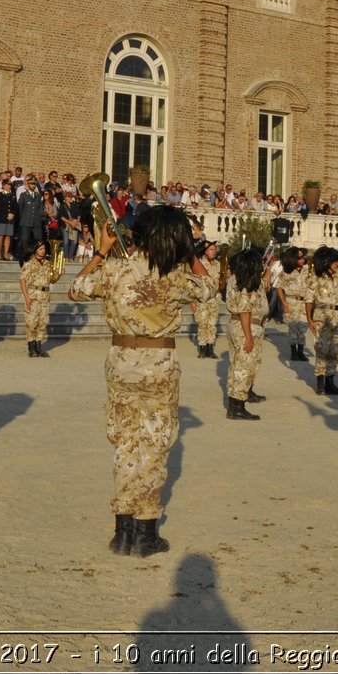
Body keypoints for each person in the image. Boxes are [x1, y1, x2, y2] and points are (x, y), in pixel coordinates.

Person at [68, 204, 213, 557]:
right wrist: (191, 253)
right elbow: (209, 287)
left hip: (121, 362)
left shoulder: (116, 270)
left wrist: (101, 250)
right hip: (160, 363)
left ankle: (122, 530)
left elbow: (76, 288)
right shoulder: (177, 276)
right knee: (155, 444)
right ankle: (147, 531)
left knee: (125, 443)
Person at [221, 247, 268, 420]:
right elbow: (244, 310)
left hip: (238, 325)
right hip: (245, 327)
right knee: (243, 367)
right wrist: (248, 336)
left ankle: (236, 403)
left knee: (237, 366)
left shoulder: (236, 279)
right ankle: (237, 407)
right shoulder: (244, 283)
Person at [306, 247, 338, 396]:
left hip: (337, 317)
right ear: (326, 261)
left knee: (335, 348)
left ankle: (330, 381)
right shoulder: (315, 279)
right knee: (322, 348)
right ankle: (320, 381)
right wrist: (309, 319)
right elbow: (309, 300)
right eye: (335, 261)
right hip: (321, 316)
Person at [277, 248, 311, 362]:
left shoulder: (307, 270)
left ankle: (301, 352)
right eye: (299, 258)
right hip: (292, 301)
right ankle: (293, 352)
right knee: (293, 328)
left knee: (303, 328)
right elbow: (279, 287)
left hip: (304, 302)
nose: (302, 260)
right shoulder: (287, 272)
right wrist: (284, 303)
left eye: (302, 258)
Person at [190, 241, 223, 358]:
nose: (213, 252)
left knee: (212, 324)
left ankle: (210, 348)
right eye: (211, 250)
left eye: (214, 250)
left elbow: (221, 281)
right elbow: (192, 283)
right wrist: (192, 301)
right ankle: (202, 348)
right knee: (202, 324)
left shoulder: (219, 265)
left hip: (214, 299)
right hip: (201, 299)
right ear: (205, 251)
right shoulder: (199, 264)